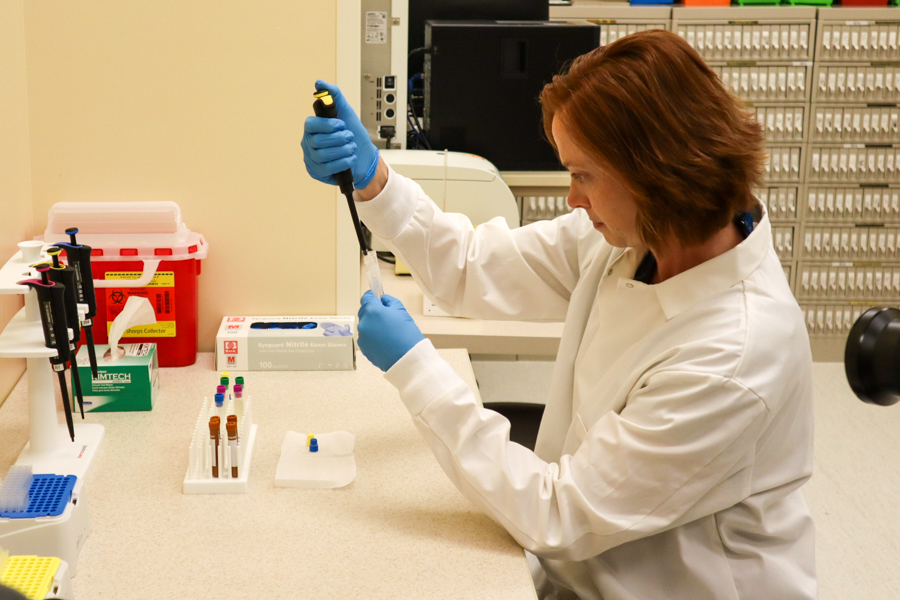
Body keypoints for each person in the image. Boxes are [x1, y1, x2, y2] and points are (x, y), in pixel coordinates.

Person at [302, 30, 816, 600]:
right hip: (584, 562)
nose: (573, 198)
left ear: (657, 173)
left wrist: (415, 368)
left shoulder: (733, 355)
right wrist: (375, 180)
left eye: (583, 174)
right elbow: (477, 267)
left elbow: (558, 513)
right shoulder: (635, 235)